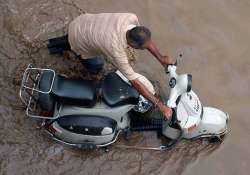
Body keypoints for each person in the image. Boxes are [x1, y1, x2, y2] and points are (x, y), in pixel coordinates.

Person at [67, 13, 174, 119]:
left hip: (83, 21)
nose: (146, 47)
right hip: (77, 38)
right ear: (132, 44)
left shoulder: (131, 18)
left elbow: (146, 40)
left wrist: (161, 58)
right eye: (141, 48)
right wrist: (160, 105)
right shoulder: (116, 49)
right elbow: (135, 82)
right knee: (96, 66)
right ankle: (57, 46)